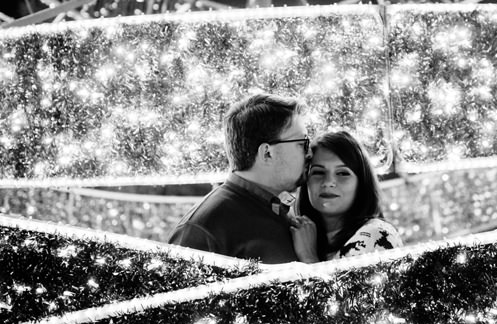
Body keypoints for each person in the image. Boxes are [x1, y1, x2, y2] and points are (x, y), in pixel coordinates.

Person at [168, 92, 310, 263]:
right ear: (267, 153)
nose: (309, 153)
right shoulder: (203, 229)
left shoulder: (279, 210)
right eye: (302, 143)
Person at [290, 130, 400, 262]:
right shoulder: (298, 235)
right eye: (318, 172)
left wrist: (308, 256)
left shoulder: (377, 234)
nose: (328, 182)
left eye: (342, 173)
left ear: (361, 183)